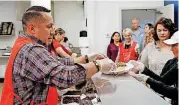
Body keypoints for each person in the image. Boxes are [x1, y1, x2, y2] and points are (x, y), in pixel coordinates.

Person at [0, 6, 116, 105]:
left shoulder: (26, 43)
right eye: (48, 27)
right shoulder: (31, 49)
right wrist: (98, 65)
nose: (52, 32)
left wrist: (87, 58)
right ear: (32, 28)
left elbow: (58, 62)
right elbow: (65, 77)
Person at [129, 31, 179, 105]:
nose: (171, 49)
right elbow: (164, 81)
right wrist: (143, 69)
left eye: (174, 45)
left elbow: (175, 93)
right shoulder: (175, 62)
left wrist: (147, 79)